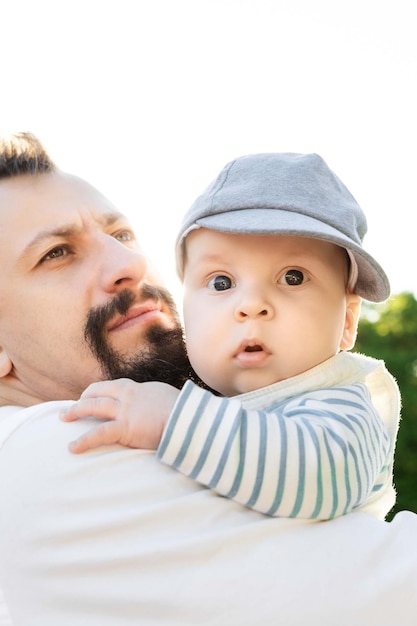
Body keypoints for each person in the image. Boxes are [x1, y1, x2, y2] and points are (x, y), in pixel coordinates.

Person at [0, 134, 417, 626]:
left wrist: (176, 418)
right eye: (56, 253)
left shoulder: (327, 399)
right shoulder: (45, 458)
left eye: (122, 235)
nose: (130, 264)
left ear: (347, 321)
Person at [63, 152, 399, 522]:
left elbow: (320, 478)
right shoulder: (213, 407)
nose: (252, 305)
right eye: (221, 282)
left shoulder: (340, 405)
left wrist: (174, 419)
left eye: (293, 277)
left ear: (348, 321)